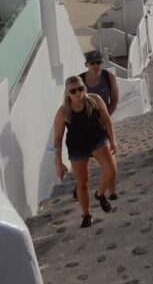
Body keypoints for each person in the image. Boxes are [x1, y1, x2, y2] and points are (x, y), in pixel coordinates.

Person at [53, 76, 118, 228]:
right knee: (82, 183)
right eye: (73, 90)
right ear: (68, 93)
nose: (78, 93)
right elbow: (57, 139)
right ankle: (86, 214)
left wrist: (113, 140)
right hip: (77, 146)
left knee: (111, 170)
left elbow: (107, 120)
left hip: (97, 139)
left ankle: (100, 194)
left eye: (81, 89)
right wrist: (59, 163)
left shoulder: (95, 101)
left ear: (85, 89)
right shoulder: (63, 112)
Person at [81, 50, 120, 198]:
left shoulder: (108, 77)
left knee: (111, 161)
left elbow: (114, 100)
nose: (96, 65)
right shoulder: (80, 82)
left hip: (103, 126)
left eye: (99, 62)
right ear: (87, 64)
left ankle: (112, 192)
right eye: (93, 63)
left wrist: (105, 117)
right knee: (83, 163)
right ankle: (80, 188)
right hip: (85, 129)